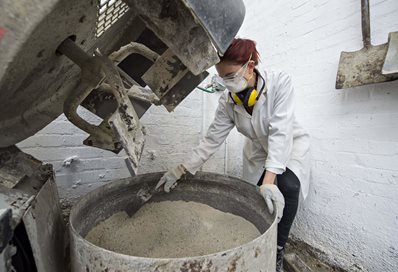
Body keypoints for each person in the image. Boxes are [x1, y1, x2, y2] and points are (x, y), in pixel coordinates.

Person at [156, 38, 310, 272]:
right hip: (258, 149)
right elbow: (212, 140)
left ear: (250, 66)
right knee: (256, 193)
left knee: (288, 187)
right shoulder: (227, 102)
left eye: (230, 76)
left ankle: (277, 249)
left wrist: (270, 180)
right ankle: (259, 240)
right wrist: (181, 169)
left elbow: (280, 132)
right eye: (222, 77)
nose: (226, 83)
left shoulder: (280, 82)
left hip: (289, 143)